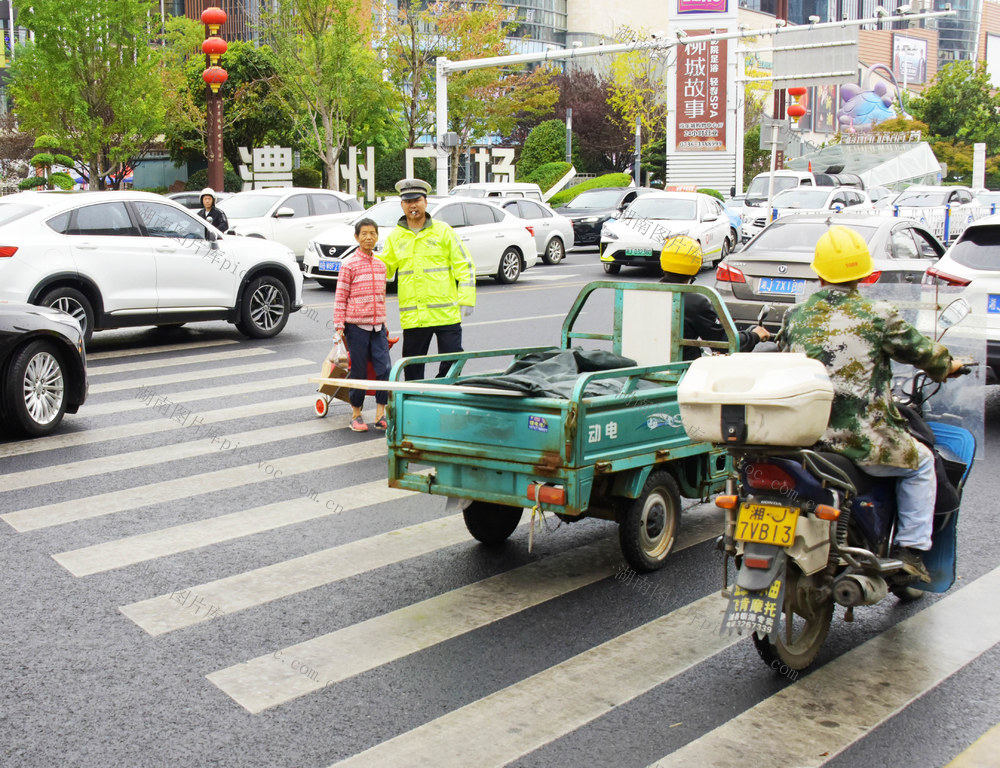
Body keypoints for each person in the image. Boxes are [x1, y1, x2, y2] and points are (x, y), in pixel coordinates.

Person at [775, 225, 964, 581]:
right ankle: (910, 550)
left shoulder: (795, 316)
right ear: (864, 274)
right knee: (921, 463)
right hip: (862, 441)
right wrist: (950, 365)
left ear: (819, 273)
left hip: (806, 437)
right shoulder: (879, 315)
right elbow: (927, 356)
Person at [378, 178, 476, 380]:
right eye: (407, 201)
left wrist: (466, 298)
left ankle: (442, 390)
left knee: (453, 358)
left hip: (445, 313)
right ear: (402, 205)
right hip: (415, 317)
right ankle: (415, 401)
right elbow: (383, 268)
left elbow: (464, 265)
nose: (412, 205)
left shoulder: (443, 231)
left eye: (417, 200)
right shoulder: (396, 237)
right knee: (412, 367)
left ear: (425, 202)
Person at [658, 234, 769, 360]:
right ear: (697, 265)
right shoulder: (696, 302)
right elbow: (724, 344)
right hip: (681, 371)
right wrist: (754, 335)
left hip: (641, 369)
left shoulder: (643, 294)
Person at [332, 218, 392, 432]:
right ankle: (356, 414)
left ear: (377, 236)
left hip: (378, 327)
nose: (369, 237)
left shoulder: (381, 265)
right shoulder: (349, 265)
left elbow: (382, 297)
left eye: (372, 233)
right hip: (356, 327)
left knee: (385, 368)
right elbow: (341, 297)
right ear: (356, 237)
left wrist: (384, 323)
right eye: (364, 233)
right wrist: (339, 325)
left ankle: (380, 413)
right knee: (358, 370)